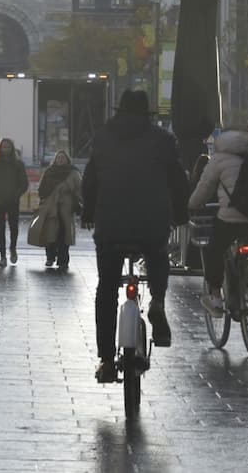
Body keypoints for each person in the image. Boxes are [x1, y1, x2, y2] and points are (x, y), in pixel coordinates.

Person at [82, 89, 180, 383]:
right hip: (151, 221)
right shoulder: (163, 140)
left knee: (107, 289)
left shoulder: (102, 138)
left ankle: (107, 359)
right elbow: (177, 178)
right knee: (157, 254)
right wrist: (181, 213)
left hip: (111, 223)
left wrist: (88, 212)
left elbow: (90, 180)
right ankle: (158, 301)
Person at [188, 129, 248, 316]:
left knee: (214, 249)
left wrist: (192, 205)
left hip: (231, 220)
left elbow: (203, 189)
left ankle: (216, 296)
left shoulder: (218, 160)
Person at [0, 138, 28, 267]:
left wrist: (17, 194)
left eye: (8, 147)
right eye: (3, 147)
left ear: (12, 149)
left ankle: (12, 248)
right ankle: (3, 256)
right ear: (0, 149)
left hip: (13, 201)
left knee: (13, 227)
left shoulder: (18, 164)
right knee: (0, 228)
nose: (6, 149)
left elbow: (24, 183)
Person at [37, 151, 83, 270]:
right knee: (50, 233)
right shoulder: (49, 171)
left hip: (66, 208)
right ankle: (50, 257)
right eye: (58, 158)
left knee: (63, 234)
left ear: (67, 160)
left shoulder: (73, 172)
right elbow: (41, 188)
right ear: (55, 159)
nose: (60, 160)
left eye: (63, 158)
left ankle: (63, 260)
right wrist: (43, 199)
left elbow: (79, 189)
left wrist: (80, 203)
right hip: (50, 207)